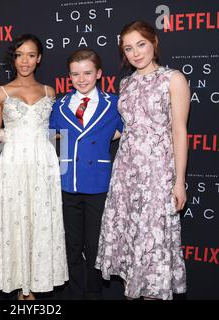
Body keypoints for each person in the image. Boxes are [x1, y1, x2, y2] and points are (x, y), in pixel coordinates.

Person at [95, 20, 189, 300]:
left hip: (158, 171)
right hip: (126, 170)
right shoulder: (127, 83)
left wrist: (179, 181)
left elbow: (179, 131)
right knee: (132, 243)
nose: (136, 53)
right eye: (128, 48)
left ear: (154, 43)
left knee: (153, 242)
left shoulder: (173, 78)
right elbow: (125, 128)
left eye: (141, 44)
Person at [0, 34, 68, 300]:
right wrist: (17, 137)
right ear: (14, 58)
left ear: (39, 58)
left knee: (40, 219)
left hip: (43, 163)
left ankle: (35, 284)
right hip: (13, 162)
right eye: (20, 54)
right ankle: (20, 284)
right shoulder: (0, 92)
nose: (25, 61)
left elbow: (52, 131)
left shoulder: (50, 92)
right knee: (15, 218)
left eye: (31, 55)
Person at [49, 49, 123, 299]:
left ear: (99, 74)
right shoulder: (58, 106)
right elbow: (50, 136)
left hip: (98, 185)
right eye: (75, 74)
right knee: (71, 247)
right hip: (67, 183)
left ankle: (93, 294)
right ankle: (74, 294)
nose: (81, 79)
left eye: (87, 73)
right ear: (69, 76)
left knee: (94, 247)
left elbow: (127, 132)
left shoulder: (114, 103)